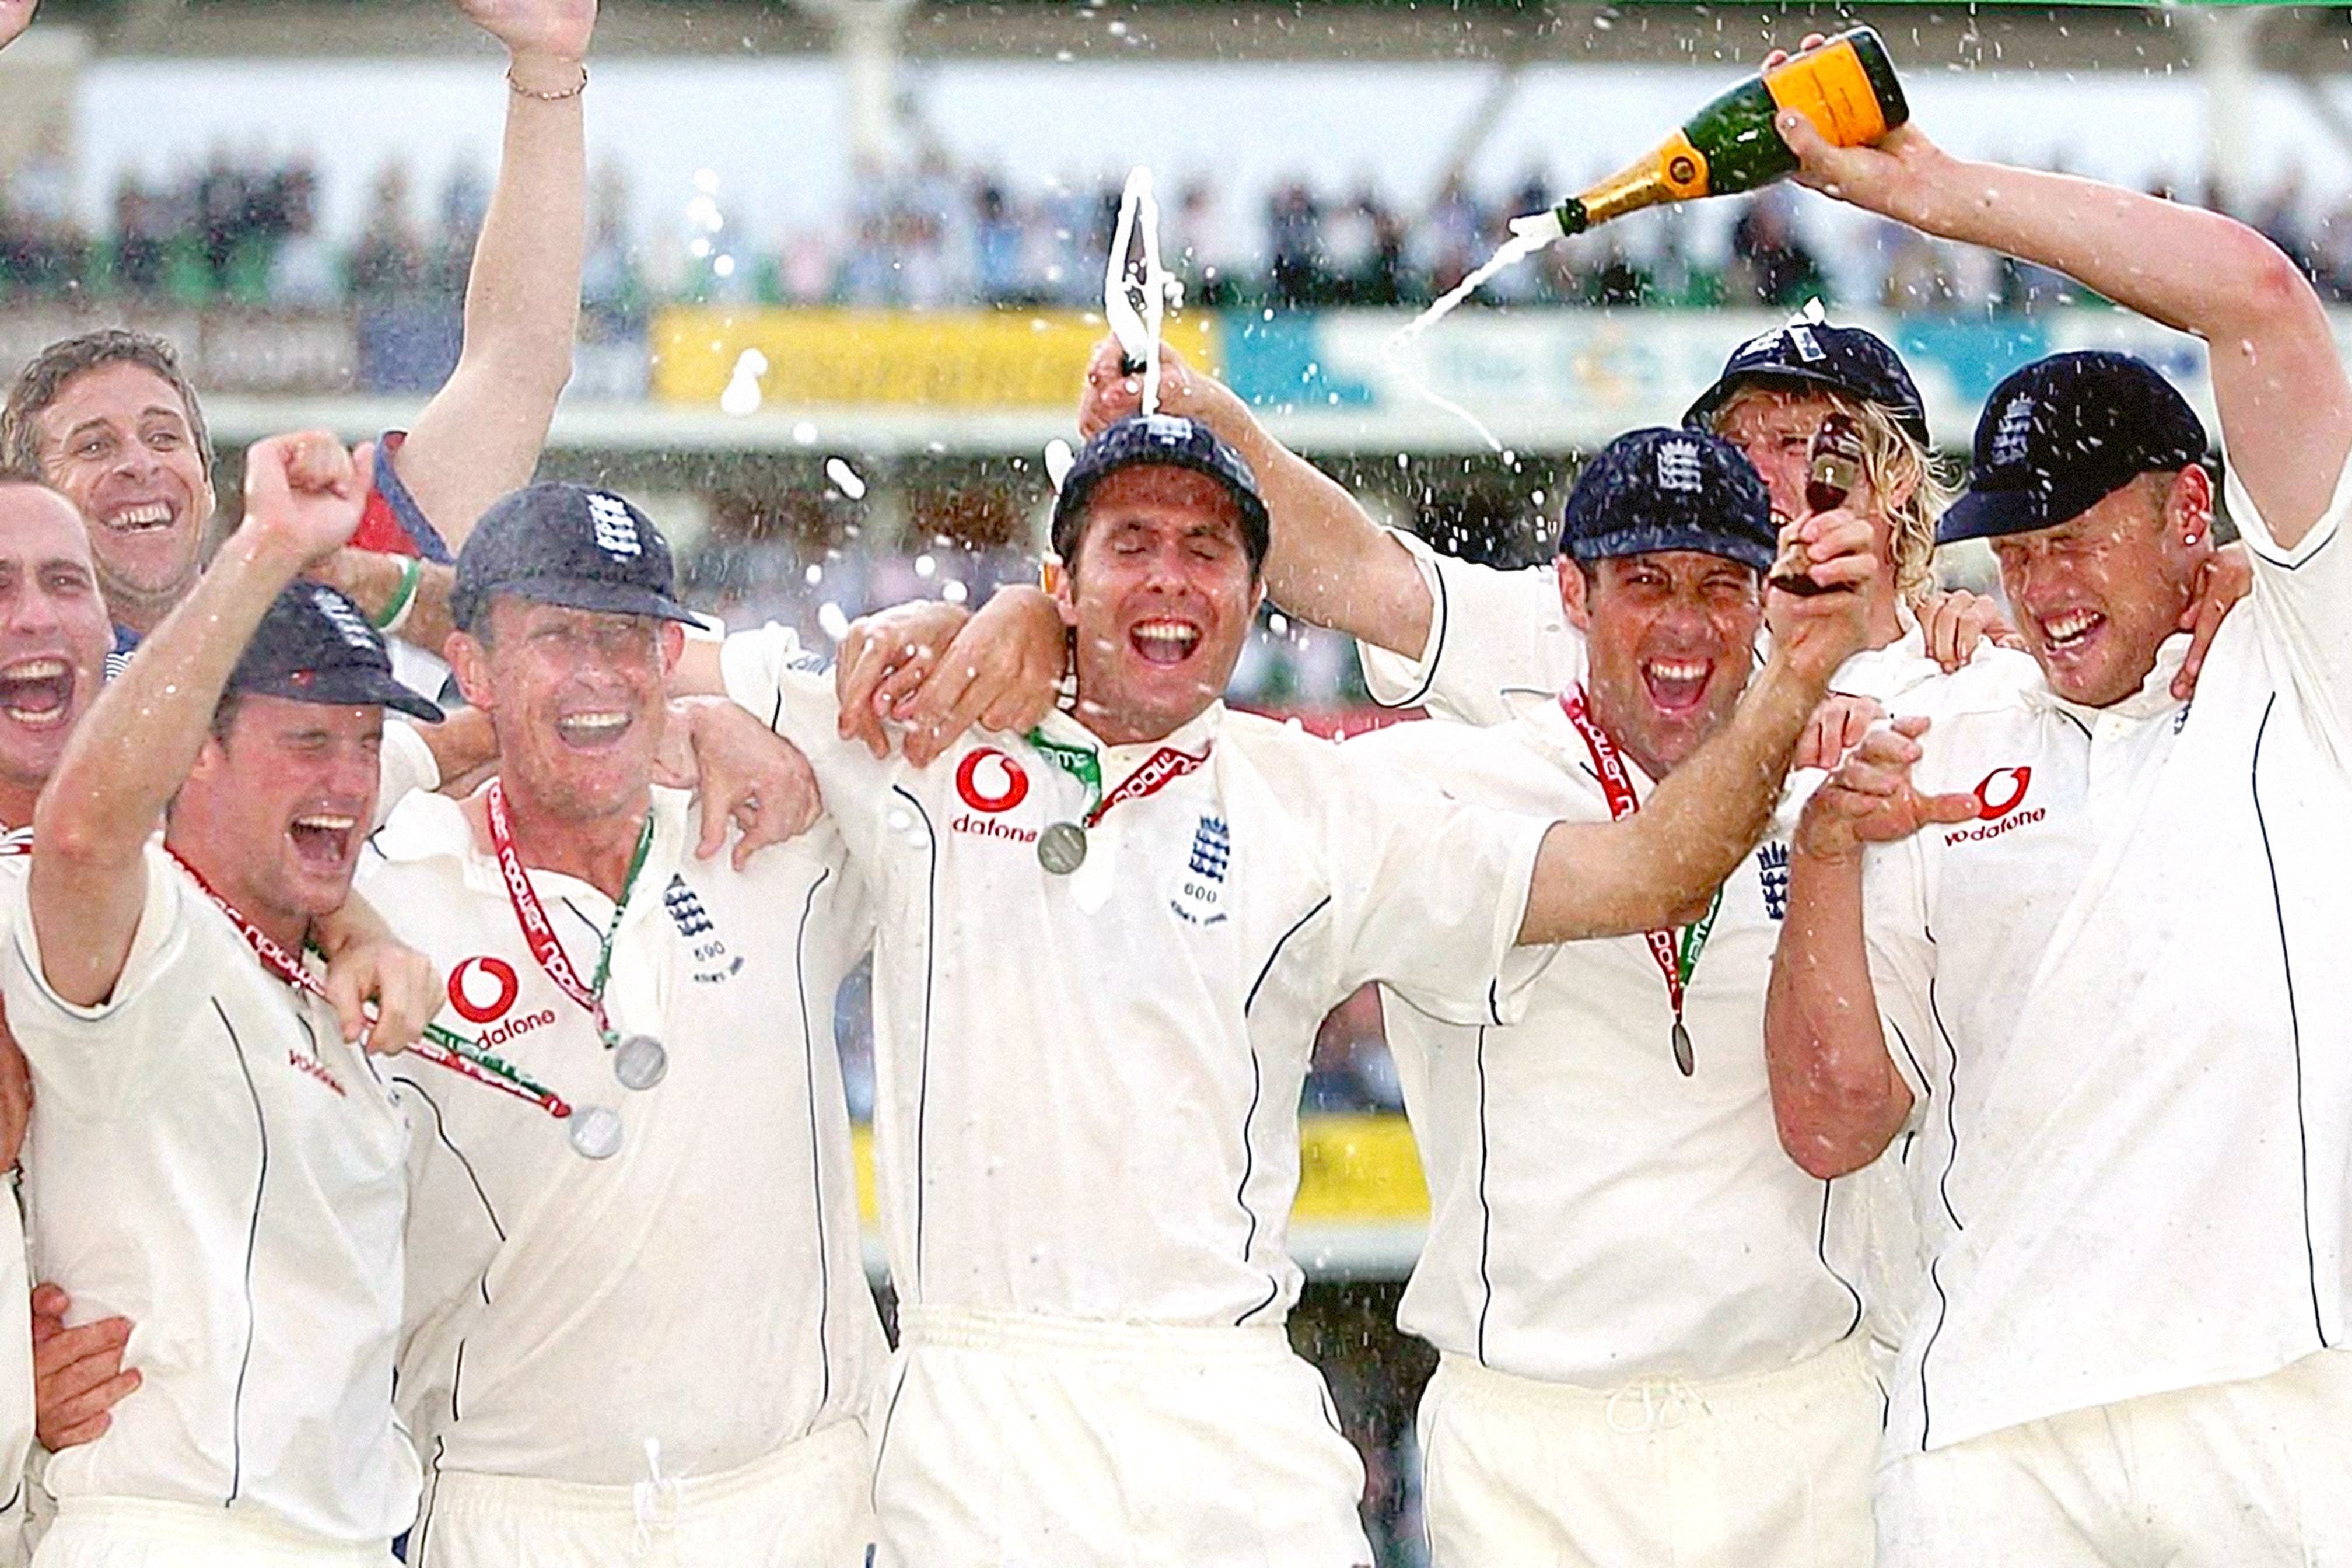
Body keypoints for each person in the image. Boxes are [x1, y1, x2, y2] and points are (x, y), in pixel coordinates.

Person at [715, 411, 1874, 1564]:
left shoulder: (1320, 802)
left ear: (1257, 590)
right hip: (980, 1409)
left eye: (1209, 552)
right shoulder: (918, 731)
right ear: (1059, 580)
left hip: (1233, 1413)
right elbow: (634, 676)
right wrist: (724, 736)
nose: (1172, 580)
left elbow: (1644, 874)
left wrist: (1802, 679)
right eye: (1132, 546)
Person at [1761, 88, 2352, 1565]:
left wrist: (1930, 191)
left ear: (2190, 514)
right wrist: (1829, 851)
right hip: (1987, 1434)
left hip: (2272, 1401)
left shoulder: (2302, 657)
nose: (2044, 589)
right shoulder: (1924, 735)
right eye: (2016, 554)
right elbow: (1832, 1124)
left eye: (2078, 538)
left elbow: (2264, 305)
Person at [362, 482, 1051, 1567]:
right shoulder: (388, 894)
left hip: (799, 1502)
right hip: (516, 1514)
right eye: (557, 637)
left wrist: (1020, 614)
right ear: (475, 665)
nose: (601, 674)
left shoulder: (777, 834)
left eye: (631, 638)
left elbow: (967, 719)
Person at [1325, 428, 1884, 1566]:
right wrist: (1030, 620)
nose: (1685, 623)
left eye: (1721, 586)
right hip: (1540, 1440)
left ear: (1770, 599)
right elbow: (1190, 754)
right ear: (1573, 594)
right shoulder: (1445, 783)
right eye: (1645, 584)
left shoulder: (1849, 780)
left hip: (1803, 1424)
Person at [1, 432, 443, 1565]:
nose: (347, 777)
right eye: (306, 740)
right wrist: (265, 548)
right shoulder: (140, 933)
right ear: (194, 755)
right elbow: (88, 832)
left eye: (364, 740)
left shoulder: (329, 973)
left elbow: (507, 716)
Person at [0, 0, 593, 689]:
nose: (141, 465)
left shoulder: (336, 589)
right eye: (94, 445)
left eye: (164, 438)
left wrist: (549, 62)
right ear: (28, 502)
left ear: (209, 484)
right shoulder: (19, 667)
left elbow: (516, 364)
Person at [1076, 312, 1991, 734]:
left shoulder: (1980, 678)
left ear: (1896, 473)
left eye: (1796, 442)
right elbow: (1363, 580)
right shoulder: (1601, 635)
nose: (1758, 473)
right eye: (1734, 443)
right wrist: (1203, 420)